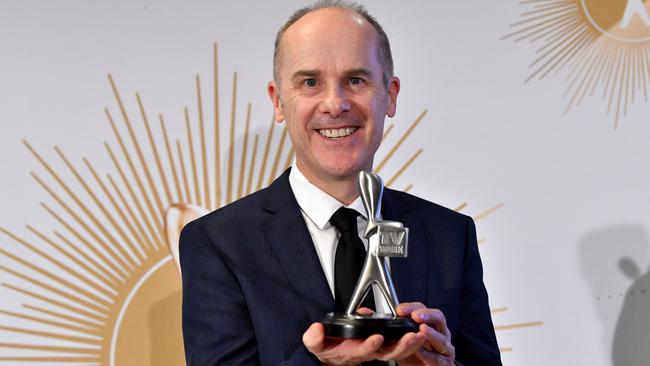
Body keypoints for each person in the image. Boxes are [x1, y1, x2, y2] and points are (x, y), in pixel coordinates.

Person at [180, 1, 502, 365]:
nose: (335, 104)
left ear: (390, 94)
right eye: (310, 82)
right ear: (278, 101)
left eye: (355, 80)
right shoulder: (219, 242)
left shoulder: (449, 235)